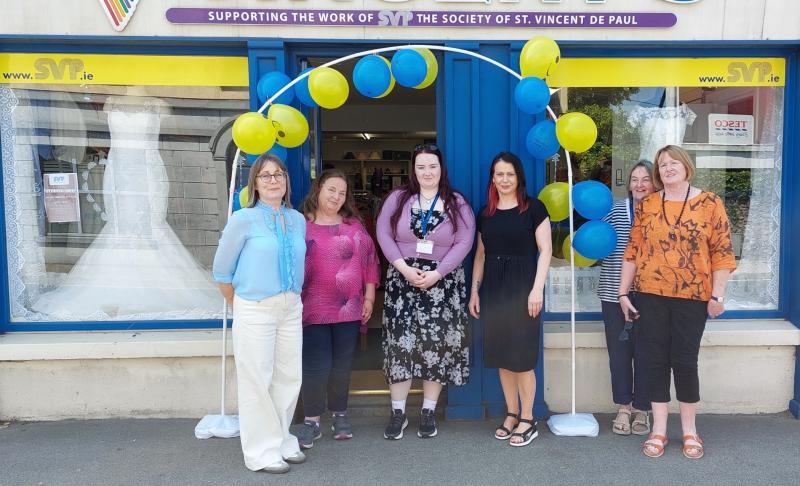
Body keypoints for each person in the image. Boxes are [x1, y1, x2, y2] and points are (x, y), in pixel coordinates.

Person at [619, 145, 736, 460]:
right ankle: (658, 430)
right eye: (662, 164)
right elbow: (632, 251)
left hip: (692, 297)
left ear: (686, 166)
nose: (668, 167)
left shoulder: (710, 203)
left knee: (685, 363)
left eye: (673, 162)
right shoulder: (647, 205)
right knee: (655, 362)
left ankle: (689, 431)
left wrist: (718, 294)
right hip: (651, 295)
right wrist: (622, 292)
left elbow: (722, 253)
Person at [212, 154, 307, 474]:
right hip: (255, 308)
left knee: (289, 377)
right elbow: (222, 272)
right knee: (257, 380)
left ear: (286, 181)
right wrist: (240, 305)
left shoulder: (297, 219)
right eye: (265, 176)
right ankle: (261, 451)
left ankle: (282, 438)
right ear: (254, 183)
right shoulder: (243, 219)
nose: (273, 180)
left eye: (278, 174)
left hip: (291, 306)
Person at [376, 144, 475, 440]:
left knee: (435, 346)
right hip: (402, 280)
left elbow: (464, 241)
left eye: (432, 166)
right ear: (413, 170)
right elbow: (383, 232)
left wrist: (437, 273)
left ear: (441, 168)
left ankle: (428, 411)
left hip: (442, 283)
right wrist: (404, 269)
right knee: (400, 346)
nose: (427, 172)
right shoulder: (398, 198)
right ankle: (398, 413)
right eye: (421, 167)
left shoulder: (456, 202)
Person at [468, 152, 552, 447]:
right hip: (494, 290)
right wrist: (474, 291)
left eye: (509, 174)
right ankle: (512, 412)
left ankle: (528, 418)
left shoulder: (534, 209)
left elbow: (545, 251)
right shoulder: (485, 213)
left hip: (524, 289)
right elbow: (480, 255)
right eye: (498, 174)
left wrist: (537, 289)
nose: (504, 180)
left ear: (519, 178)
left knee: (522, 359)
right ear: (492, 178)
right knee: (503, 357)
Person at [295, 169, 380, 449]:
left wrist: (369, 298)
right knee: (316, 366)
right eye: (331, 189)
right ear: (318, 189)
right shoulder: (300, 224)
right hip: (313, 308)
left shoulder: (354, 224)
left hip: (350, 308)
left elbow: (370, 261)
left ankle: (340, 414)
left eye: (342, 193)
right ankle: (312, 420)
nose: (336, 196)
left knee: (342, 365)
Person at [598, 160, 654, 436]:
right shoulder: (615, 209)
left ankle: (643, 408)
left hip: (651, 294)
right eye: (634, 179)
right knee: (619, 354)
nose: (639, 185)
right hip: (612, 292)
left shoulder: (662, 211)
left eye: (645, 179)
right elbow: (597, 242)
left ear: (654, 183)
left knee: (646, 353)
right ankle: (624, 406)